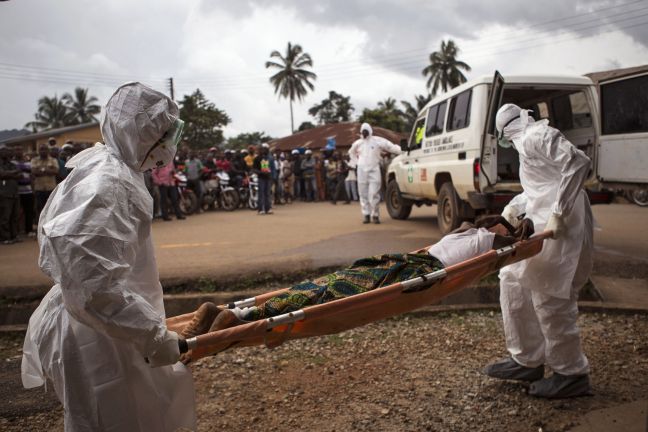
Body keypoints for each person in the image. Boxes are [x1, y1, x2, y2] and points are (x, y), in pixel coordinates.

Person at [21, 83, 196, 431]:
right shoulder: (107, 184)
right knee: (112, 418)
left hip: (112, 325)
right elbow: (91, 286)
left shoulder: (117, 169)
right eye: (161, 135)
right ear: (138, 134)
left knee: (140, 414)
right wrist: (151, 335)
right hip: (97, 334)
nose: (168, 146)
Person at [178, 216, 531, 363]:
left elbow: (512, 239)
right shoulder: (485, 238)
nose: (502, 225)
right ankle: (243, 317)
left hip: (404, 263)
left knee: (321, 288)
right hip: (410, 270)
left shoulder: (466, 233)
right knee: (328, 295)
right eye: (501, 222)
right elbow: (516, 239)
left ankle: (236, 314)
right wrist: (518, 230)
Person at [483, 103, 594, 399]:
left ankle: (571, 374)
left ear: (506, 131)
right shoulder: (527, 144)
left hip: (562, 226)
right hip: (545, 221)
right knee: (512, 279)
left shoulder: (536, 136)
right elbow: (539, 188)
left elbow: (579, 163)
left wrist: (559, 211)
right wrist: (512, 209)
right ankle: (526, 359)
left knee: (551, 296)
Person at [349, 123, 401, 224]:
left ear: (369, 131)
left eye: (366, 131)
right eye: (362, 131)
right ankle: (366, 215)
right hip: (361, 170)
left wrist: (402, 150)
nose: (364, 133)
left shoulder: (377, 141)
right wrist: (356, 163)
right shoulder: (357, 143)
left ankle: (375, 215)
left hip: (374, 169)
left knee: (374, 193)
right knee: (363, 193)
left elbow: (391, 147)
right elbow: (351, 153)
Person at [30, 143, 59, 220]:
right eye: (41, 149)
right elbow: (34, 172)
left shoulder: (53, 160)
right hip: (39, 189)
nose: (43, 151)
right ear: (38, 151)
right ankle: (40, 227)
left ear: (48, 150)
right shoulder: (34, 160)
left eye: (45, 149)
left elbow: (55, 171)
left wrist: (41, 170)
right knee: (40, 210)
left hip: (51, 189)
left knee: (52, 209)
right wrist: (48, 170)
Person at [0, 144, 21, 244]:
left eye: (7, 151)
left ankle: (14, 236)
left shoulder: (11, 164)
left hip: (14, 193)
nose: (6, 153)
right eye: (4, 151)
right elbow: (2, 174)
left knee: (15, 216)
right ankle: (5, 237)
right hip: (4, 194)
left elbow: (20, 175)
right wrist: (13, 173)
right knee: (5, 217)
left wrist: (8, 174)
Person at [12, 147, 35, 237]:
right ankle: (16, 231)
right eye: (17, 150)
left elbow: (32, 176)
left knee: (28, 212)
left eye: (20, 150)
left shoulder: (29, 163)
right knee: (16, 213)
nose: (18, 152)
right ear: (14, 152)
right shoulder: (12, 163)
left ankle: (28, 230)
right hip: (16, 191)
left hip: (28, 191)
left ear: (23, 152)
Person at [253, 143, 274, 215]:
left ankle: (268, 208)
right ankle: (260, 209)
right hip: (261, 178)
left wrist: (269, 174)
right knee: (261, 193)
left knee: (267, 193)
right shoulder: (256, 159)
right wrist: (261, 172)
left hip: (267, 177)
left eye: (264, 149)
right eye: (261, 149)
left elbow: (266, 168)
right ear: (259, 150)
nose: (263, 150)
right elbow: (254, 169)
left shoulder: (265, 158)